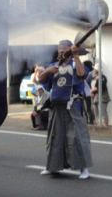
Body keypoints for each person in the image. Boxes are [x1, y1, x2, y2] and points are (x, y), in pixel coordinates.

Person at [38, 40, 93, 179]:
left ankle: (83, 168)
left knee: (77, 138)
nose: (61, 51)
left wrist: (75, 56)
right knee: (55, 138)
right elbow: (41, 80)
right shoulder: (53, 65)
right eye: (59, 49)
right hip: (56, 107)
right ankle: (52, 167)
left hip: (72, 105)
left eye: (64, 49)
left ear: (70, 49)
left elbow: (82, 75)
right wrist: (48, 71)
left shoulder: (75, 63)